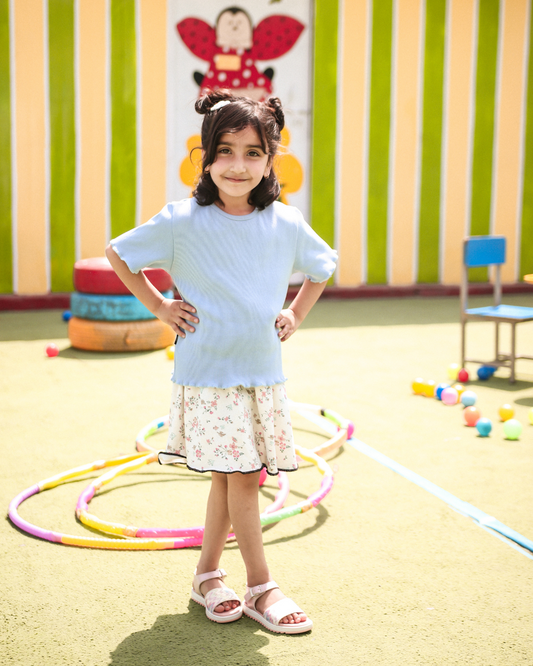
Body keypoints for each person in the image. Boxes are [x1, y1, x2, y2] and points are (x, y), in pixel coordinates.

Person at [105, 92, 337, 635]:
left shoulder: (285, 221)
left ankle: (207, 574)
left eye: (253, 153)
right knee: (243, 476)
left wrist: (295, 313)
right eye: (226, 150)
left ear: (270, 158)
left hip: (261, 374)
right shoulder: (182, 220)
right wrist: (160, 306)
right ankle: (263, 586)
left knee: (230, 479)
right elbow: (119, 252)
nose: (238, 165)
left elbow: (323, 266)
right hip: (208, 375)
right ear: (205, 156)